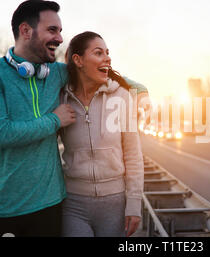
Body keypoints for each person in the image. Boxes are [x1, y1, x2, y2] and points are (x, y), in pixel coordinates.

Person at [0, 0, 148, 237]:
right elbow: (0, 135)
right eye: (52, 30)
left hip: (49, 204)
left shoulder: (56, 74)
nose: (60, 38)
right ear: (25, 30)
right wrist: (54, 120)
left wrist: (141, 93)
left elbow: (100, 72)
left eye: (61, 31)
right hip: (2, 207)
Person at [60, 31, 143, 237]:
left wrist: (134, 203)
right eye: (98, 53)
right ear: (78, 60)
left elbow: (133, 153)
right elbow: (40, 140)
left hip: (114, 204)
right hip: (73, 204)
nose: (107, 58)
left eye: (107, 53)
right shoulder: (61, 98)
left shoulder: (122, 97)